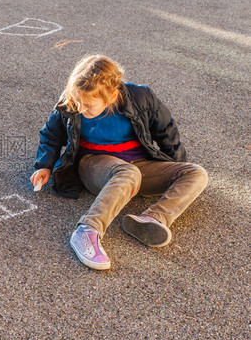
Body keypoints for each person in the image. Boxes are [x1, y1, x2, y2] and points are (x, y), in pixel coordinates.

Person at [30, 54, 208, 270]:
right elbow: (52, 135)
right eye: (78, 102)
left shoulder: (141, 97)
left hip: (139, 165)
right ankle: (87, 231)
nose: (80, 109)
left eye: (88, 105)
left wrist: (174, 173)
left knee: (196, 173)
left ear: (112, 95)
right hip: (94, 164)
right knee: (128, 173)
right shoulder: (72, 100)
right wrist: (44, 165)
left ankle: (153, 219)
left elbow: (167, 132)